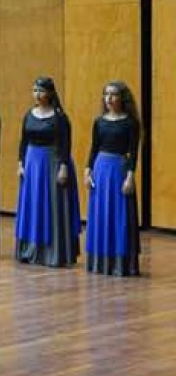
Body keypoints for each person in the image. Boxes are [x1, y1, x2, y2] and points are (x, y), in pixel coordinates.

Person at [15, 77, 81, 267]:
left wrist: (63, 166)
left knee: (52, 206)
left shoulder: (60, 117)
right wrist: (21, 163)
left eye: (41, 90)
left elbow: (65, 144)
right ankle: (31, 249)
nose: (37, 94)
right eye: (34, 90)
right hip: (32, 163)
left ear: (50, 93)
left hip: (53, 162)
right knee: (33, 204)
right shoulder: (28, 115)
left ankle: (54, 252)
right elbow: (23, 141)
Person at [84, 81, 141, 276]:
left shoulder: (130, 123)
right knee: (100, 215)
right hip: (101, 168)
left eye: (113, 94)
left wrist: (130, 177)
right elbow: (94, 147)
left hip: (119, 170)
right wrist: (87, 170)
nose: (108, 98)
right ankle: (100, 261)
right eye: (106, 94)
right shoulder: (99, 122)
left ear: (122, 98)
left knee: (120, 216)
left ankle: (121, 262)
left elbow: (133, 152)